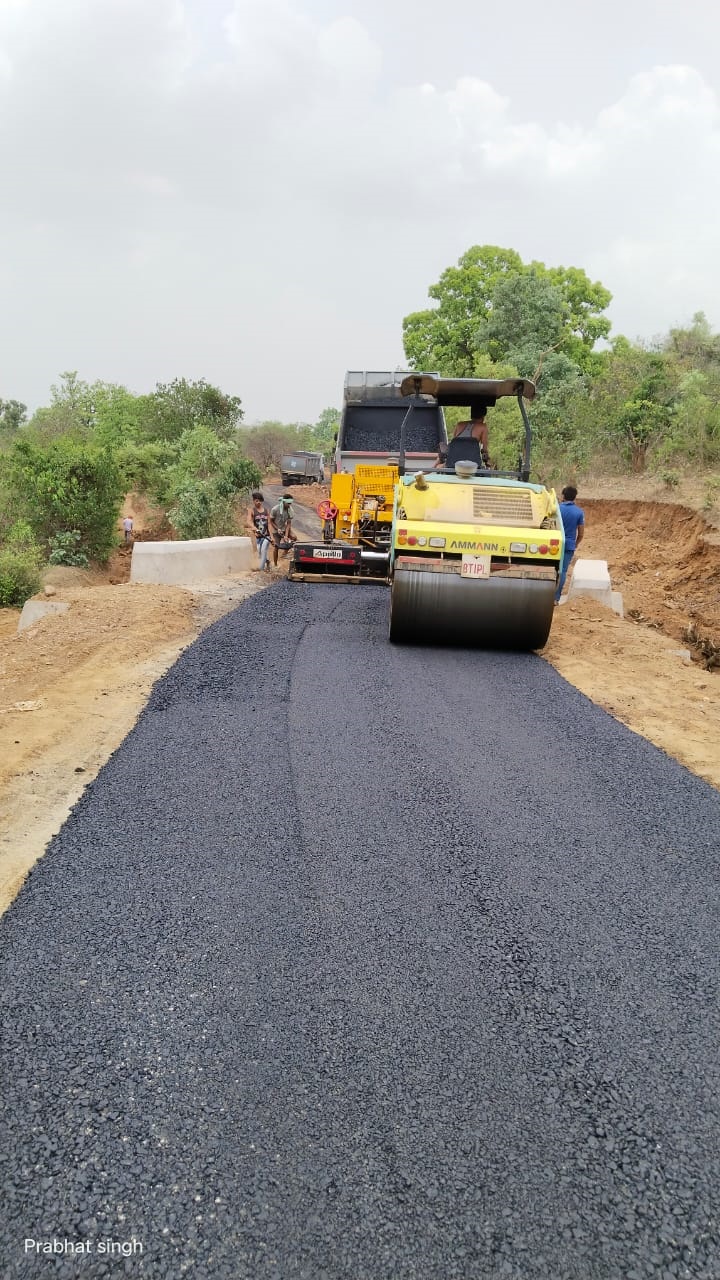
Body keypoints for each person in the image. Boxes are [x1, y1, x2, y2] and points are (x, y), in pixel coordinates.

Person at [555, 485, 585, 603]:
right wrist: (575, 543)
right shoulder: (579, 512)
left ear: (563, 496)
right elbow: (581, 533)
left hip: (554, 544)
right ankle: (556, 598)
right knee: (562, 571)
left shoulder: (557, 509)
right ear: (574, 497)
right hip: (569, 545)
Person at [269, 493, 297, 567]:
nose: (289, 505)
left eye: (290, 503)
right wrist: (277, 528)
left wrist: (286, 536)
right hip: (275, 529)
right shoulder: (275, 509)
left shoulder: (290, 510)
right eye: (288, 503)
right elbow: (271, 521)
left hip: (284, 528)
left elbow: (288, 523)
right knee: (276, 546)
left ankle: (284, 553)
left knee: (294, 538)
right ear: (284, 502)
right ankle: (275, 564)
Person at [248, 491, 271, 572]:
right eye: (256, 501)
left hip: (266, 535)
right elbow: (249, 521)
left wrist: (272, 537)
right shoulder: (252, 511)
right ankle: (267, 562)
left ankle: (260, 569)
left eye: (260, 501)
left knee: (263, 549)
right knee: (259, 551)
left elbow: (269, 524)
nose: (258, 502)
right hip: (258, 536)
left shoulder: (266, 511)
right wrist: (253, 527)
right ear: (254, 501)